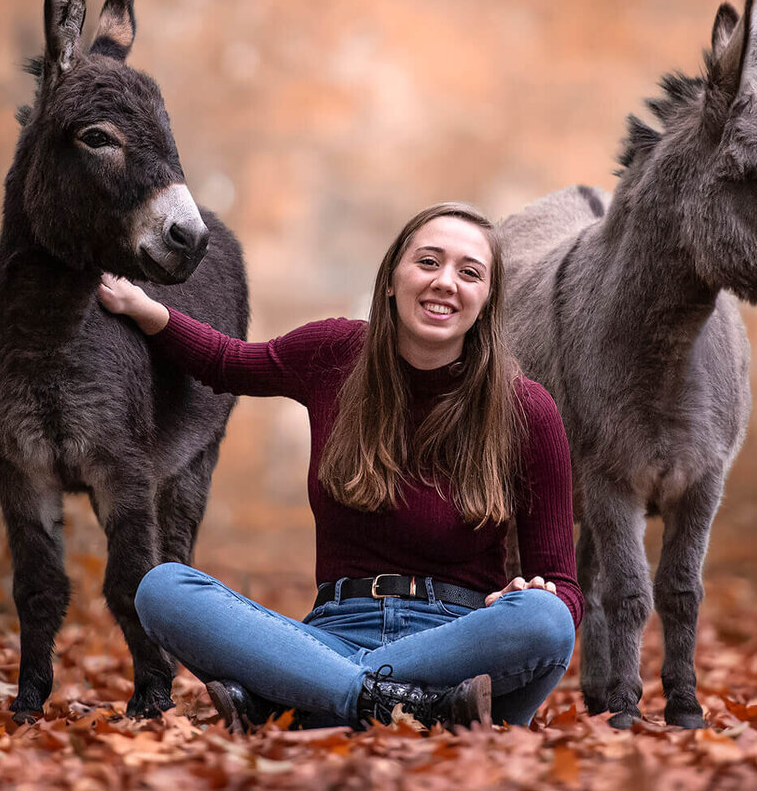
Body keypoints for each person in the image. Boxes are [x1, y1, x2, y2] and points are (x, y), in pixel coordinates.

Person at [97, 202, 579, 731]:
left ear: (487, 301)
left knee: (546, 620)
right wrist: (145, 310)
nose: (446, 282)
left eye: (469, 273)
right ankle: (407, 707)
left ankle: (302, 697)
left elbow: (563, 588)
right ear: (392, 279)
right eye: (428, 262)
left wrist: (535, 593)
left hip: (460, 646)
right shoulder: (334, 353)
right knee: (162, 589)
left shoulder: (526, 408)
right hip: (330, 633)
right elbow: (227, 362)